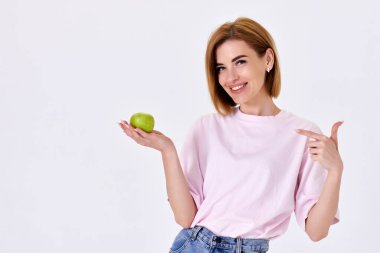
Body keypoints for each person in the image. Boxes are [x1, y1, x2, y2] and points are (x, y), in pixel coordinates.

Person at [118, 17, 344, 253]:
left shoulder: (302, 135)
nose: (230, 77)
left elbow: (317, 231)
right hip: (196, 245)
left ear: (268, 59)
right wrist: (167, 150)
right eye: (221, 68)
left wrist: (335, 171)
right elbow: (185, 218)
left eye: (240, 62)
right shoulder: (206, 128)